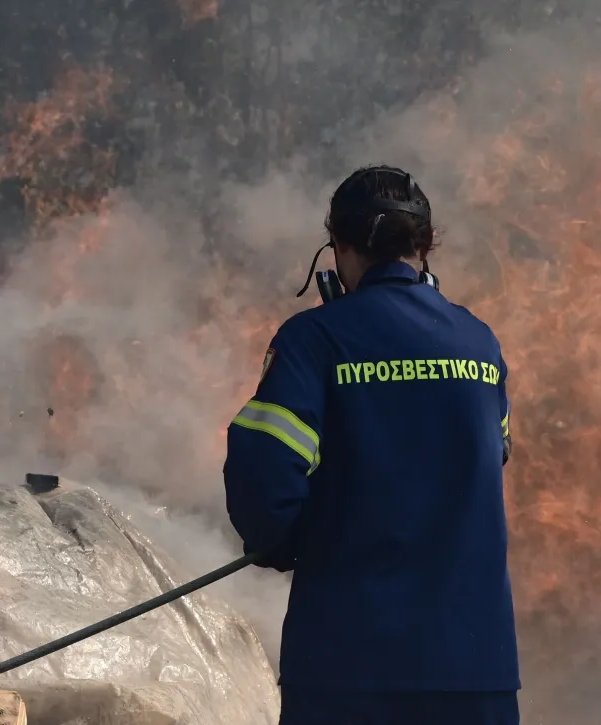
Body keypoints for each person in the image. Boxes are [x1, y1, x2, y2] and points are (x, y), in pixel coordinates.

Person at [223, 164, 519, 725]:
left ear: (339, 245)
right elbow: (492, 454)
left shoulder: (316, 340)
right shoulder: (480, 343)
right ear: (426, 247)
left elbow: (264, 472)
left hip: (348, 665)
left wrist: (282, 543)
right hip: (475, 668)